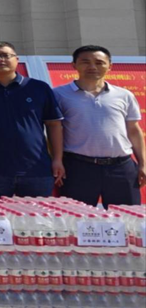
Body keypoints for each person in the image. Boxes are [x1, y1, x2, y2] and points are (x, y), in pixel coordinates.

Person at [0, 40, 65, 197]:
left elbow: (53, 124)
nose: (0, 59)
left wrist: (57, 159)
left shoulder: (38, 88)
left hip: (36, 169)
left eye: (5, 55)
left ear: (17, 59)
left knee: (37, 213)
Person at [54, 45, 145, 207]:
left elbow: (133, 130)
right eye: (85, 62)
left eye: (99, 62)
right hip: (78, 167)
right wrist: (57, 160)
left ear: (110, 66)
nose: (92, 67)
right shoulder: (59, 94)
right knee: (77, 217)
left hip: (121, 167)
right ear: (74, 65)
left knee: (127, 218)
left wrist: (143, 164)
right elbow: (55, 130)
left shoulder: (124, 95)